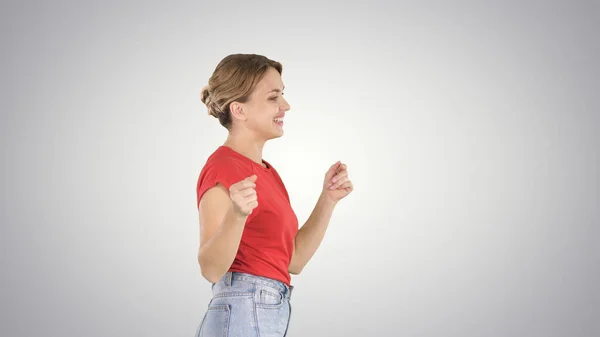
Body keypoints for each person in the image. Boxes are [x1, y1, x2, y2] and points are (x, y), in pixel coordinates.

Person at [194, 54, 354, 337]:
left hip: (267, 309)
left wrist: (327, 200)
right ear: (239, 110)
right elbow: (210, 268)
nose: (285, 106)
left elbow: (293, 261)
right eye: (273, 97)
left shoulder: (267, 173)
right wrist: (237, 214)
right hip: (243, 308)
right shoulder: (223, 167)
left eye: (283, 95)